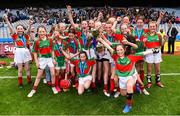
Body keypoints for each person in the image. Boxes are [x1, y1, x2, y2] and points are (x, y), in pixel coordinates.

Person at [97, 37, 158, 113]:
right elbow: (108, 47)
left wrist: (153, 50)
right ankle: (136, 87)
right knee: (123, 94)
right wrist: (101, 40)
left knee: (130, 86)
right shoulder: (115, 56)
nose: (119, 52)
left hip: (131, 76)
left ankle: (128, 105)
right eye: (118, 50)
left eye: (121, 50)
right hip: (122, 78)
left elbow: (142, 53)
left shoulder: (131, 57)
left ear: (124, 49)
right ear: (116, 51)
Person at [27, 25, 58, 97]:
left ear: (46, 32)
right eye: (40, 31)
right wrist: (37, 62)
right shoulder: (37, 41)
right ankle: (33, 90)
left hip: (50, 59)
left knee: (53, 74)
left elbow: (52, 50)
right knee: (39, 76)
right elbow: (34, 52)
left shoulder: (50, 39)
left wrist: (53, 59)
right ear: (37, 32)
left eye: (43, 31)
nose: (42, 33)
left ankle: (53, 87)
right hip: (42, 60)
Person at [4, 14, 32, 88]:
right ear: (16, 30)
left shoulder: (26, 35)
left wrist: (29, 24)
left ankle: (29, 80)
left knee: (27, 68)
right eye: (18, 29)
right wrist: (7, 20)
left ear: (23, 29)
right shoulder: (14, 35)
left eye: (21, 28)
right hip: (19, 52)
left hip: (26, 51)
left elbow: (28, 30)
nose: (20, 30)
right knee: (20, 68)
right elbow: (10, 28)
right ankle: (20, 83)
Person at [144, 21, 166, 88]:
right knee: (149, 69)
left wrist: (164, 39)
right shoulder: (146, 35)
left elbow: (161, 44)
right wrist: (144, 43)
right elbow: (144, 46)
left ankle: (158, 82)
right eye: (151, 26)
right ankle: (149, 82)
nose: (152, 28)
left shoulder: (159, 35)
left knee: (157, 68)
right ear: (149, 27)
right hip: (149, 52)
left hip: (157, 52)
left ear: (156, 27)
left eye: (154, 26)